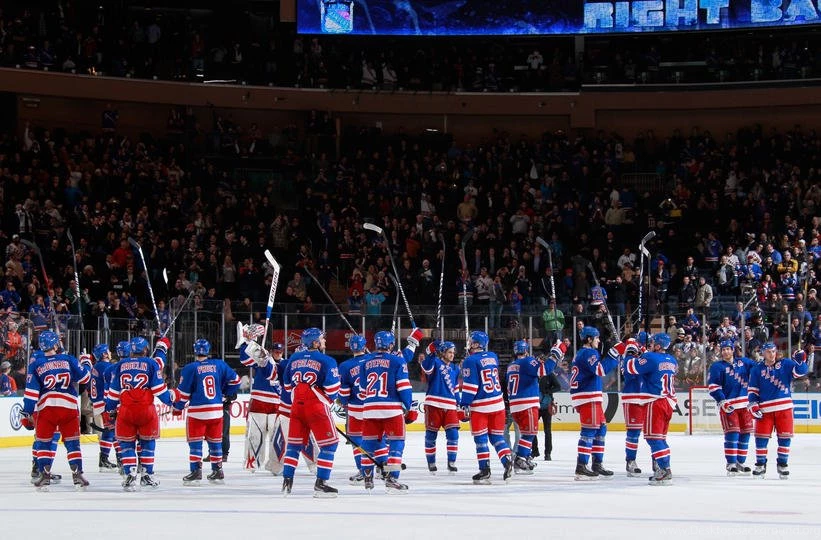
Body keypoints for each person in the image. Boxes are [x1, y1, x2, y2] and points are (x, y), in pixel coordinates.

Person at [106, 336, 179, 490]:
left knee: (126, 444)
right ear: (145, 349)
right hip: (146, 411)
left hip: (126, 411)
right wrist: (172, 402)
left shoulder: (120, 365)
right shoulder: (152, 363)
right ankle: (147, 475)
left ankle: (130, 474)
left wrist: (110, 409)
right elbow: (159, 390)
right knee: (147, 443)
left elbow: (113, 393)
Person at [22, 330, 91, 490]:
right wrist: (86, 362)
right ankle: (77, 475)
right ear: (55, 344)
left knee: (44, 443)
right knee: (72, 443)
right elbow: (85, 378)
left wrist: (27, 411)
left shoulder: (36, 364)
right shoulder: (68, 359)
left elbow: (31, 393)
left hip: (47, 408)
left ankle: (44, 475)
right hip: (68, 407)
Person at [281, 328, 340, 497]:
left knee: (293, 445)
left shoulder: (294, 358)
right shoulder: (327, 361)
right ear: (315, 342)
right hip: (316, 407)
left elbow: (287, 387)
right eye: (322, 339)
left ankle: (287, 480)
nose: (324, 342)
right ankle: (321, 483)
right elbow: (333, 388)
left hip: (297, 407)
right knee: (330, 445)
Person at [175, 338, 240, 486]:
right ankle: (217, 470)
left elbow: (183, 394)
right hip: (216, 411)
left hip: (197, 412)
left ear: (195, 351)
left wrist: (177, 407)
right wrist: (226, 394)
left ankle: (196, 472)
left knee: (195, 444)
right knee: (215, 442)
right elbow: (236, 380)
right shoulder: (219, 364)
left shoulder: (190, 368)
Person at [359, 330, 414, 492]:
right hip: (391, 409)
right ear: (391, 345)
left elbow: (362, 389)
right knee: (396, 443)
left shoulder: (365, 362)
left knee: (368, 444)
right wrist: (408, 405)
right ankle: (391, 478)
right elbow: (404, 387)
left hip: (369, 409)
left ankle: (368, 478)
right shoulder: (397, 361)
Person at [747, 342, 809, 479]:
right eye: (768, 351)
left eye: (773, 351)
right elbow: (752, 390)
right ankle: (760, 464)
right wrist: (753, 404)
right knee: (761, 438)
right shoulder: (756, 370)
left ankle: (782, 463)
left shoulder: (786, 364)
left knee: (785, 438)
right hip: (765, 409)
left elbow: (801, 372)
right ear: (763, 353)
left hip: (784, 407)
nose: (772, 354)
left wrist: (801, 360)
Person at [459, 330, 514, 484]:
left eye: (471, 341)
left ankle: (485, 470)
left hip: (481, 406)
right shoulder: (493, 356)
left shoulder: (471, 361)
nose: (469, 343)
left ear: (476, 344)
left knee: (481, 440)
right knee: (497, 437)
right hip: (498, 404)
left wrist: (464, 404)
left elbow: (471, 387)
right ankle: (507, 460)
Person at [624, 332, 678, 486]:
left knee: (652, 438)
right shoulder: (672, 360)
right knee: (660, 438)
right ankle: (664, 467)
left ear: (659, 345)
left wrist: (630, 351)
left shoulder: (651, 358)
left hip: (656, 402)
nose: (651, 345)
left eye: (653, 343)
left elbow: (629, 367)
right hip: (669, 402)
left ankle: (664, 469)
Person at [570, 326, 618, 480]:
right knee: (589, 430)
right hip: (587, 396)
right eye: (596, 338)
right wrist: (614, 354)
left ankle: (597, 463)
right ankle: (581, 466)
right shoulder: (588, 352)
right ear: (589, 339)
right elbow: (601, 370)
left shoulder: (584, 353)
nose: (599, 340)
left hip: (590, 396)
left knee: (601, 429)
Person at [707, 339, 756, 476]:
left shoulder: (744, 362)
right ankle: (731, 463)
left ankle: (740, 462)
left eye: (728, 349)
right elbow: (713, 387)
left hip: (745, 404)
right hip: (729, 405)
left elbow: (758, 369)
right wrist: (722, 400)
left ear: (733, 350)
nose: (726, 352)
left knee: (745, 433)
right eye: (723, 350)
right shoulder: (717, 367)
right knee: (732, 433)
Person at [237, 323, 280, 473]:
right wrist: (247, 344)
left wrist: (265, 359)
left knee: (277, 437)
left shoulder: (284, 364)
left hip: (276, 404)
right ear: (271, 351)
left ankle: (275, 465)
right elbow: (244, 359)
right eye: (275, 351)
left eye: (280, 351)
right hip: (259, 402)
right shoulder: (261, 361)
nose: (278, 353)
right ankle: (252, 462)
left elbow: (272, 375)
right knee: (255, 434)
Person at [506, 340, 554, 474]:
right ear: (526, 351)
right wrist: (555, 354)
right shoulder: (527, 361)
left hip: (515, 405)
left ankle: (524, 456)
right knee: (530, 433)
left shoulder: (511, 365)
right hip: (526, 403)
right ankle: (520, 459)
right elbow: (545, 370)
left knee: (525, 433)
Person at [420, 340, 460, 475]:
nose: (452, 355)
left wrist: (459, 402)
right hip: (433, 404)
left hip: (450, 405)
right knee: (431, 436)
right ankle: (431, 462)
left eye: (453, 352)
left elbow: (455, 388)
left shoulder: (455, 368)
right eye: (449, 352)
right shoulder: (435, 362)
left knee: (453, 435)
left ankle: (451, 463)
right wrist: (431, 352)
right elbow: (426, 367)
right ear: (442, 352)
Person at [337, 334, 370, 483]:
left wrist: (342, 401)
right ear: (365, 346)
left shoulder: (345, 366)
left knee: (356, 441)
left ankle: (362, 471)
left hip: (355, 409)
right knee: (377, 439)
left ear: (351, 347)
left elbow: (344, 392)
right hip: (373, 408)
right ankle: (381, 467)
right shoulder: (373, 360)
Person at [618, 335, 646, 477]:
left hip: (647, 398)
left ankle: (657, 461)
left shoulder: (639, 358)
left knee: (652, 433)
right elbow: (636, 368)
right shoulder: (628, 361)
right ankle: (630, 461)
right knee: (634, 433)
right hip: (632, 398)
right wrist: (644, 354)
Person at [88, 343, 118, 472]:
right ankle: (112, 459)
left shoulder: (96, 366)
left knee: (109, 431)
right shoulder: (106, 367)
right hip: (105, 403)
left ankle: (105, 459)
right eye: (108, 351)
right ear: (105, 354)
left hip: (98, 403)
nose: (110, 353)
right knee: (114, 431)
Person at [536, 342, 564, 461]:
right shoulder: (535, 375)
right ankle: (534, 451)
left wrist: (548, 391)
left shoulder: (549, 374)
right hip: (536, 406)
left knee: (548, 431)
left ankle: (548, 453)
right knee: (532, 430)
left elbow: (558, 386)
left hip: (546, 405)